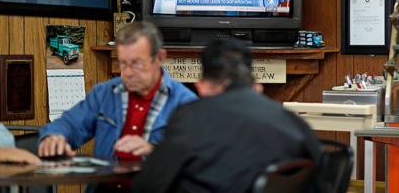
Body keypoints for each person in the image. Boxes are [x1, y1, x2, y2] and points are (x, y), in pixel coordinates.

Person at [131, 38, 322, 193]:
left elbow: (149, 185)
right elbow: (324, 178)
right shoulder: (290, 120)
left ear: (202, 85)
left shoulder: (189, 117)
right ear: (256, 86)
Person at [37, 21, 197, 163]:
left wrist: (154, 152)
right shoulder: (104, 93)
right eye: (123, 63)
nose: (127, 73)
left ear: (160, 58)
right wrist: (54, 137)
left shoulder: (186, 103)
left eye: (137, 64)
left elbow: (197, 159)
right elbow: (69, 123)